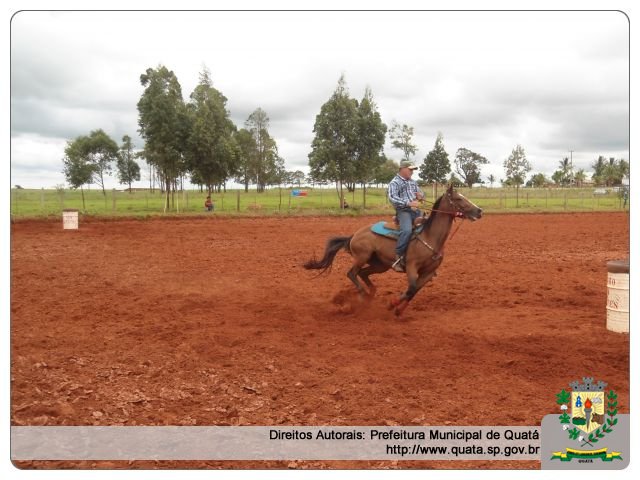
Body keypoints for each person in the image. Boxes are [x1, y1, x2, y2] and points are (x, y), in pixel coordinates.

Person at [388, 160, 425, 272]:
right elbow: (392, 197)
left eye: (413, 170)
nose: (412, 172)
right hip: (403, 211)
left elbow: (421, 194)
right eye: (410, 169)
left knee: (429, 225)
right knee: (407, 231)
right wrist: (408, 203)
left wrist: (421, 196)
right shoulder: (395, 182)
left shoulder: (413, 182)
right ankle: (398, 256)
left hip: (416, 211)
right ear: (402, 169)